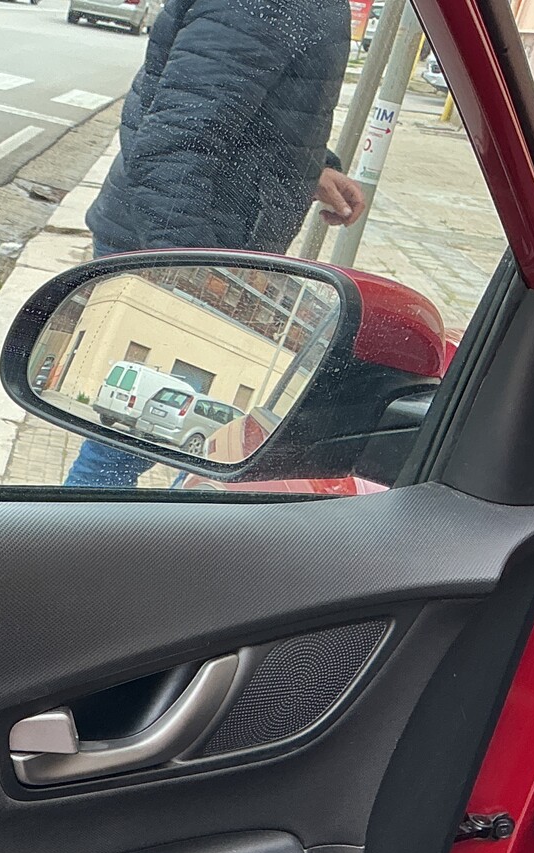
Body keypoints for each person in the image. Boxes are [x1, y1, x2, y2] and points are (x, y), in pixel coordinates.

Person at [63, 0, 365, 490]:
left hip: (197, 242)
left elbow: (244, 103)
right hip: (181, 245)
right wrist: (190, 267)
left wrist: (313, 166)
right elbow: (175, 141)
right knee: (135, 439)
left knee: (163, 438)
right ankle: (72, 536)